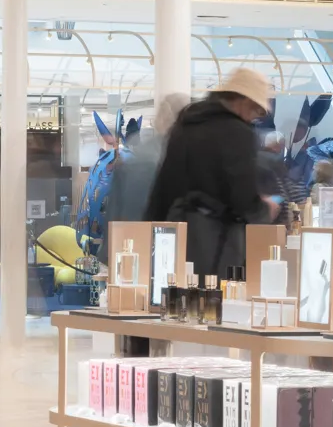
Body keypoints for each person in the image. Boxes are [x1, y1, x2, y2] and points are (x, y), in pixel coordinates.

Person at [145, 68, 280, 278]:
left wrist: (152, 231)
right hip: (215, 243)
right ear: (243, 100)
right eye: (256, 110)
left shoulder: (187, 123)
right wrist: (264, 209)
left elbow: (164, 182)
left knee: (173, 302)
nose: (255, 117)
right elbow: (241, 196)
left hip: (174, 235)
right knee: (212, 305)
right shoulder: (237, 133)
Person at [110, 93, 188, 224]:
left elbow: (115, 215)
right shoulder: (177, 162)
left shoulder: (135, 160)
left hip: (128, 236)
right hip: (160, 235)